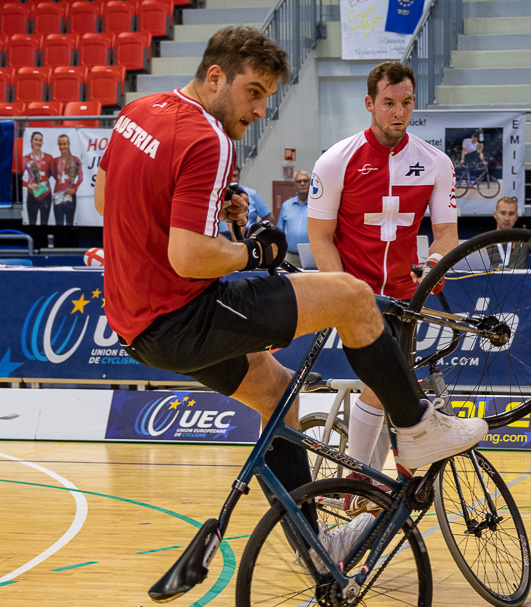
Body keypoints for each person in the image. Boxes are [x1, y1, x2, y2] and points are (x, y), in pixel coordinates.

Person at [95, 27, 486, 521]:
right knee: (351, 296)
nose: (260, 111)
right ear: (216, 77)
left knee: (277, 392)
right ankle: (416, 429)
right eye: (253, 94)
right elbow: (190, 258)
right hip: (184, 310)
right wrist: (255, 252)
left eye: (266, 98)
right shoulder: (208, 138)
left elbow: (106, 200)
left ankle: (317, 547)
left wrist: (209, 210)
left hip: (136, 324)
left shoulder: (138, 111)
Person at [308, 60, 478, 480]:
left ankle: (366, 480)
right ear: (370, 103)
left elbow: (445, 234)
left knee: (391, 386)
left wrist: (433, 265)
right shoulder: (335, 161)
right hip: (354, 295)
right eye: (388, 103)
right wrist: (340, 292)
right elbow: (320, 238)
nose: (398, 112)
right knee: (385, 382)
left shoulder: (436, 163)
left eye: (406, 103)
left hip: (405, 295)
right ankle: (358, 481)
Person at [219, 164, 272, 237]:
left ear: (239, 177)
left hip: (246, 238)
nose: (231, 178)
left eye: (234, 176)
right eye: (228, 175)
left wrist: (256, 231)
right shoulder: (216, 195)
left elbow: (268, 217)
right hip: (221, 239)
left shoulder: (251, 194)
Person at [277, 170, 310, 262]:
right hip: (290, 255)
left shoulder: (317, 206)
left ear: (310, 183)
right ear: (294, 185)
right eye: (299, 181)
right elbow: (280, 230)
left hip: (312, 256)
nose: (302, 184)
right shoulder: (286, 206)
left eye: (305, 181)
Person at [51, 134, 83, 226]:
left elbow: (81, 177)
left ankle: (69, 241)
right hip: (58, 195)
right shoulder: (55, 160)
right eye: (60, 144)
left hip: (70, 196)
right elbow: (54, 175)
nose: (62, 147)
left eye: (64, 144)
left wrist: (74, 189)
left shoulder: (75, 160)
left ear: (69, 144)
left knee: (70, 223)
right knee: (59, 224)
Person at [22, 131, 52, 226]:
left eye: (40, 140)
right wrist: (29, 185)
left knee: (44, 224)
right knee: (32, 223)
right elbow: (19, 178)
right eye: (36, 140)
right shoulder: (25, 159)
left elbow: (52, 173)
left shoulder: (49, 158)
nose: (38, 142)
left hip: (46, 195)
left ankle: (43, 241)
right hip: (32, 195)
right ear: (31, 141)